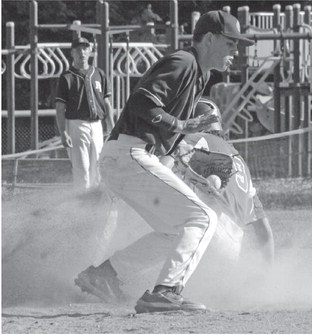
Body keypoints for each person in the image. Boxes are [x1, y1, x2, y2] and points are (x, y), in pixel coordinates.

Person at [75, 11, 254, 313]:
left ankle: (104, 276)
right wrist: (182, 125)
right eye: (230, 43)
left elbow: (166, 128)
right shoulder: (184, 62)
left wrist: (174, 153)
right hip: (130, 154)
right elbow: (141, 102)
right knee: (203, 218)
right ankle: (166, 290)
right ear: (210, 39)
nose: (235, 52)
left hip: (130, 157)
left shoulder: (201, 73)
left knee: (176, 230)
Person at [74, 98, 274, 307]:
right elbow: (264, 232)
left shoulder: (197, 139)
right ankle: (108, 274)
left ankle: (156, 288)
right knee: (176, 228)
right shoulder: (240, 162)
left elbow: (164, 166)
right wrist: (266, 279)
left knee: (189, 223)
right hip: (232, 250)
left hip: (215, 238)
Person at [55, 37, 115, 191]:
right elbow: (60, 108)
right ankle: (81, 206)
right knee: (82, 168)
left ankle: (96, 203)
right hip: (76, 124)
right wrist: (63, 132)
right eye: (78, 49)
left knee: (98, 166)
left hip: (96, 125)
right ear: (72, 53)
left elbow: (106, 103)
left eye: (85, 48)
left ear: (90, 51)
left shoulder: (99, 74)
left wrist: (112, 127)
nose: (82, 52)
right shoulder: (66, 77)